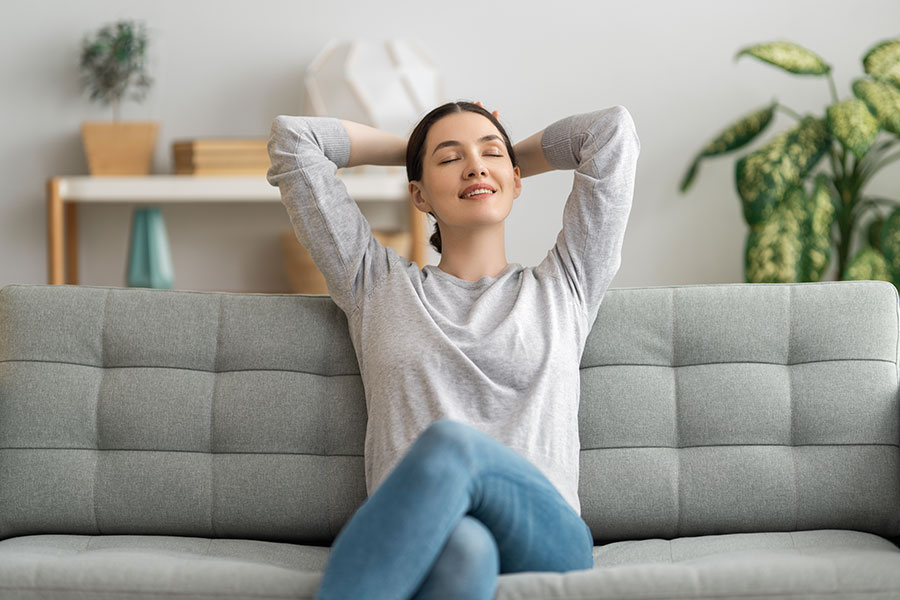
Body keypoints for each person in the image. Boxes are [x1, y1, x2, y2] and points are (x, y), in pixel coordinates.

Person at [266, 99, 640, 599]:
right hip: (426, 530)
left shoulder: (567, 285)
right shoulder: (375, 286)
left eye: (490, 155)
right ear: (418, 195)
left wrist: (503, 153)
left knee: (451, 444)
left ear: (516, 179)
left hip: (545, 533)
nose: (475, 166)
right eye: (449, 159)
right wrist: (416, 147)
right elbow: (295, 140)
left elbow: (610, 133)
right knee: (465, 548)